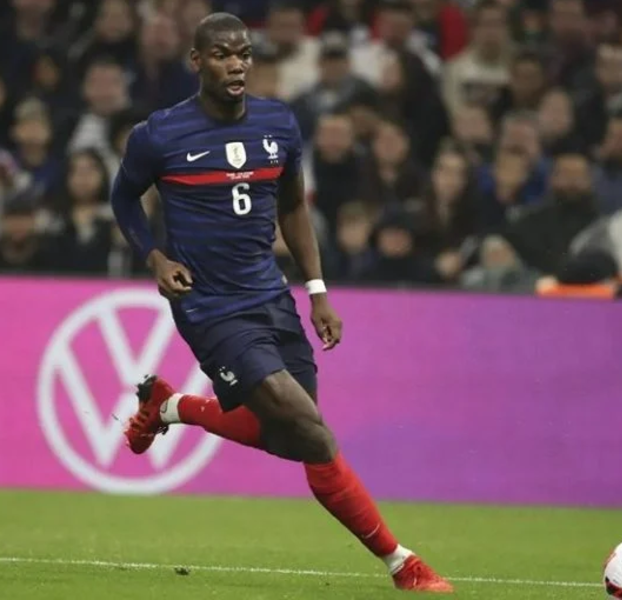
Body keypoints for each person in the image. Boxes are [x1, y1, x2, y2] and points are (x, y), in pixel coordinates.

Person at [110, 12, 453, 594]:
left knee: (284, 435)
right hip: (210, 305)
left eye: (244, 54)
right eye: (222, 54)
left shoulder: (278, 123)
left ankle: (171, 407)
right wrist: (155, 258)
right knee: (313, 434)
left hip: (271, 294)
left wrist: (317, 292)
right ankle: (402, 563)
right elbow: (123, 199)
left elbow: (293, 206)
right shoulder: (160, 134)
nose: (236, 64)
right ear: (196, 61)